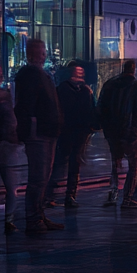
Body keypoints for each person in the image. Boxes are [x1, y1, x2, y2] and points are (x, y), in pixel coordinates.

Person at [14, 39, 64, 235]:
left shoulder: (38, 74)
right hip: (40, 131)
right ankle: (34, 218)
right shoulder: (31, 74)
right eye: (40, 52)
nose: (43, 56)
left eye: (43, 52)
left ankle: (38, 216)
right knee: (39, 177)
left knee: (42, 176)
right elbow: (25, 105)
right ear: (32, 54)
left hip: (45, 130)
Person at [98, 60, 137, 209]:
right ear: (134, 70)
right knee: (132, 166)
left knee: (115, 165)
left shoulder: (110, 84)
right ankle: (127, 198)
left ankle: (113, 196)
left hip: (113, 132)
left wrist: (106, 127)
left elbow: (101, 107)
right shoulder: (136, 85)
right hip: (130, 132)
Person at [45, 61, 99, 208]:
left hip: (71, 131)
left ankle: (55, 195)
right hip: (73, 131)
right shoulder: (82, 91)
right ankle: (64, 195)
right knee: (69, 163)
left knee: (65, 163)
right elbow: (91, 110)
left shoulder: (66, 90)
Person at [0, 57, 19, 234]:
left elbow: (10, 118)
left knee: (11, 186)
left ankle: (9, 219)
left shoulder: (4, 95)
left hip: (6, 146)